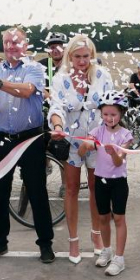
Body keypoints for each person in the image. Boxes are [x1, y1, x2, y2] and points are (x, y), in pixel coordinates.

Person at [0, 27, 55, 264]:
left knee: (37, 191)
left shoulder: (34, 68)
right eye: (8, 43)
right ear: (3, 46)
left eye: (16, 42)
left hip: (30, 138)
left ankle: (45, 244)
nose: (12, 47)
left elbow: (28, 91)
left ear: (25, 44)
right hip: (2, 137)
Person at [49, 34, 114, 264]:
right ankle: (73, 239)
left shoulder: (102, 76)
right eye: (77, 56)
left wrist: (96, 137)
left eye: (86, 56)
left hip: (96, 141)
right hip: (72, 142)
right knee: (72, 188)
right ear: (70, 56)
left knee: (97, 187)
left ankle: (96, 234)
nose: (82, 61)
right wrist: (57, 125)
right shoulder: (60, 78)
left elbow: (111, 107)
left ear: (92, 55)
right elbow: (56, 106)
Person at [77, 91, 134, 276]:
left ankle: (119, 258)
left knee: (118, 218)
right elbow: (80, 153)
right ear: (101, 113)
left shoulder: (126, 135)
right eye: (106, 114)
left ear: (121, 114)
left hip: (118, 182)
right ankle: (107, 250)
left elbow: (119, 163)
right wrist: (85, 145)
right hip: (100, 181)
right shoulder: (97, 131)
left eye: (114, 114)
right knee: (103, 218)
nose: (109, 118)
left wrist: (114, 153)